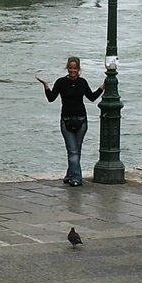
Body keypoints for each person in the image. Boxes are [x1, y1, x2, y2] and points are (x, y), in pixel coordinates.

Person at [36, 56, 104, 187]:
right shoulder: (61, 82)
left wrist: (103, 86)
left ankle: (70, 174)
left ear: (79, 69)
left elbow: (92, 97)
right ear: (67, 68)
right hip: (66, 120)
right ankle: (77, 178)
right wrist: (46, 86)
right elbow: (51, 98)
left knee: (76, 150)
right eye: (70, 68)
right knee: (73, 151)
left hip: (81, 120)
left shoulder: (82, 82)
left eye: (75, 68)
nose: (72, 71)